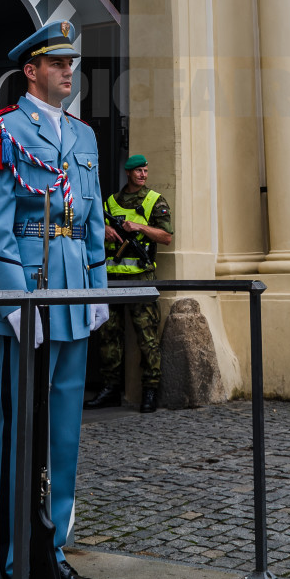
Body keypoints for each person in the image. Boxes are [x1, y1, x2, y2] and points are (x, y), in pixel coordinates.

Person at [0, 19, 108, 579]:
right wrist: (13, 299)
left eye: (70, 63)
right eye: (57, 64)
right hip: (27, 286)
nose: (68, 71)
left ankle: (53, 552)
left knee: (64, 431)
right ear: (31, 72)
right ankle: (13, 561)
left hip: (73, 289)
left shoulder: (84, 138)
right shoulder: (1, 130)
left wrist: (97, 288)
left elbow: (93, 217)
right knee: (20, 427)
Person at [85, 153, 173, 414]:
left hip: (141, 280)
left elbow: (166, 237)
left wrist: (139, 227)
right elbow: (91, 228)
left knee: (147, 336)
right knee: (108, 334)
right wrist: (105, 231)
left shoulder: (154, 200)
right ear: (128, 172)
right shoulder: (110, 202)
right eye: (139, 171)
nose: (143, 175)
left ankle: (150, 390)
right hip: (111, 279)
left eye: (146, 171)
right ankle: (110, 388)